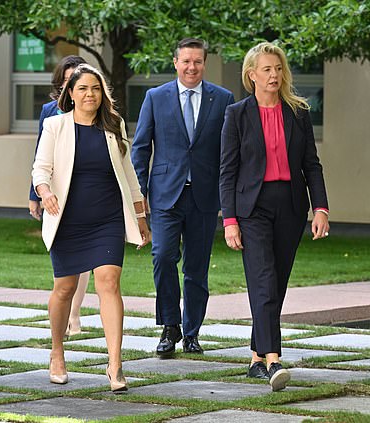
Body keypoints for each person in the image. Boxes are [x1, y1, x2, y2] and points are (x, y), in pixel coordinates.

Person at [33, 64, 150, 393]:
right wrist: (45, 193)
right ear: (70, 94)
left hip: (108, 216)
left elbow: (129, 174)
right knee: (64, 289)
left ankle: (115, 364)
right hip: (68, 218)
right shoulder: (56, 125)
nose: (90, 95)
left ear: (103, 94)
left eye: (95, 89)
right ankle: (57, 352)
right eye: (82, 89)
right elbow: (40, 169)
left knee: (109, 281)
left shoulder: (114, 126)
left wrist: (140, 218)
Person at [220, 42, 329, 391]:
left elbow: (311, 164)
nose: (274, 75)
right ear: (251, 75)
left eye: (278, 68)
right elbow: (227, 171)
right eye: (266, 69)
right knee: (264, 279)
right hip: (252, 207)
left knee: (275, 282)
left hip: (291, 206)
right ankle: (273, 359)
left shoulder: (298, 112)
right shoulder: (237, 114)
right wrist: (230, 220)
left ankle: (254, 356)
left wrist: (321, 208)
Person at [132, 38, 234, 356]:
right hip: (165, 195)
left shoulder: (223, 98)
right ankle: (169, 327)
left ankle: (191, 332)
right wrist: (140, 192)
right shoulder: (155, 97)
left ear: (205, 63)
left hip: (204, 197)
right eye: (186, 61)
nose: (192, 67)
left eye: (198, 62)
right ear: (175, 62)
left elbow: (229, 152)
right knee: (163, 257)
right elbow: (140, 147)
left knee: (196, 268)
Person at [28, 55, 89, 336]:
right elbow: (40, 155)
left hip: (86, 192)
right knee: (63, 253)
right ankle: (62, 310)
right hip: (54, 193)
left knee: (86, 255)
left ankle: (74, 314)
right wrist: (35, 193)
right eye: (67, 80)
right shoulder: (49, 111)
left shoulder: (94, 110)